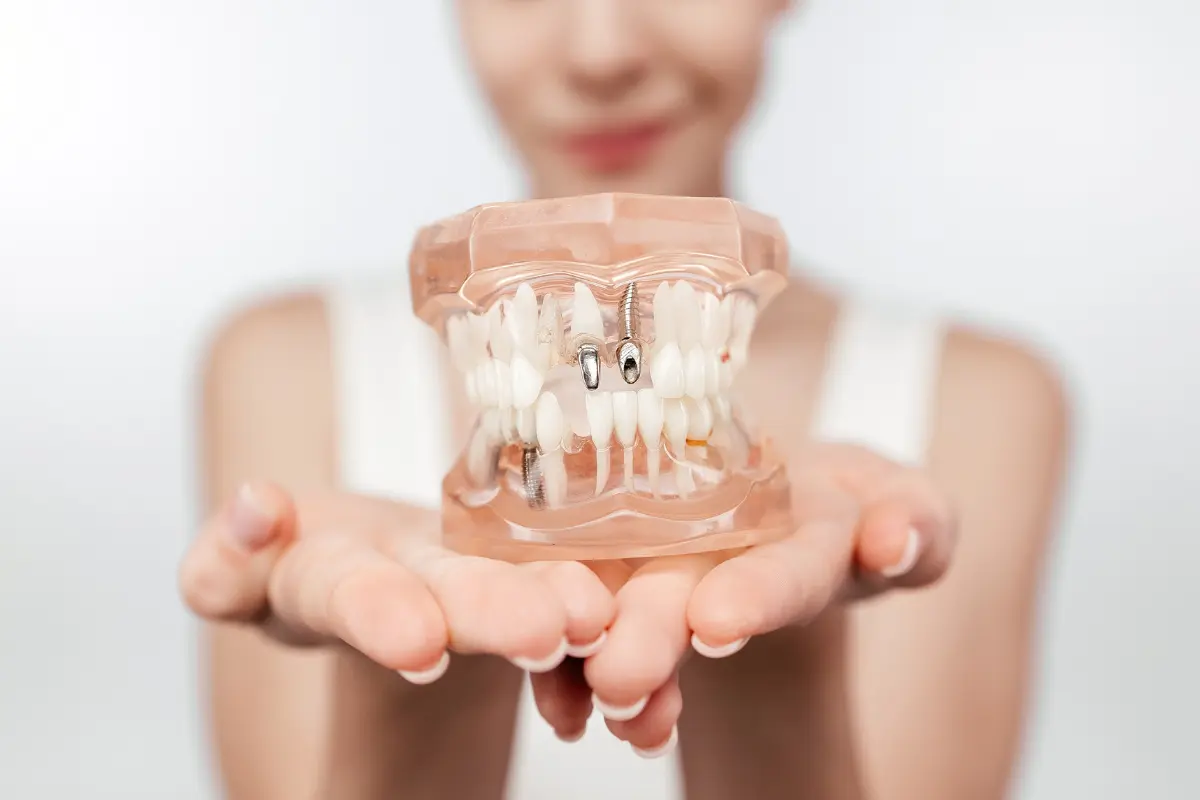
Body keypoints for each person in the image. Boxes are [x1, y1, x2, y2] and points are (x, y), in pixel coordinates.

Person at [178, 2, 1069, 798]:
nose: (601, 51)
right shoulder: (278, 367)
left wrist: (776, 659)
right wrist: (414, 683)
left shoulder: (987, 401)